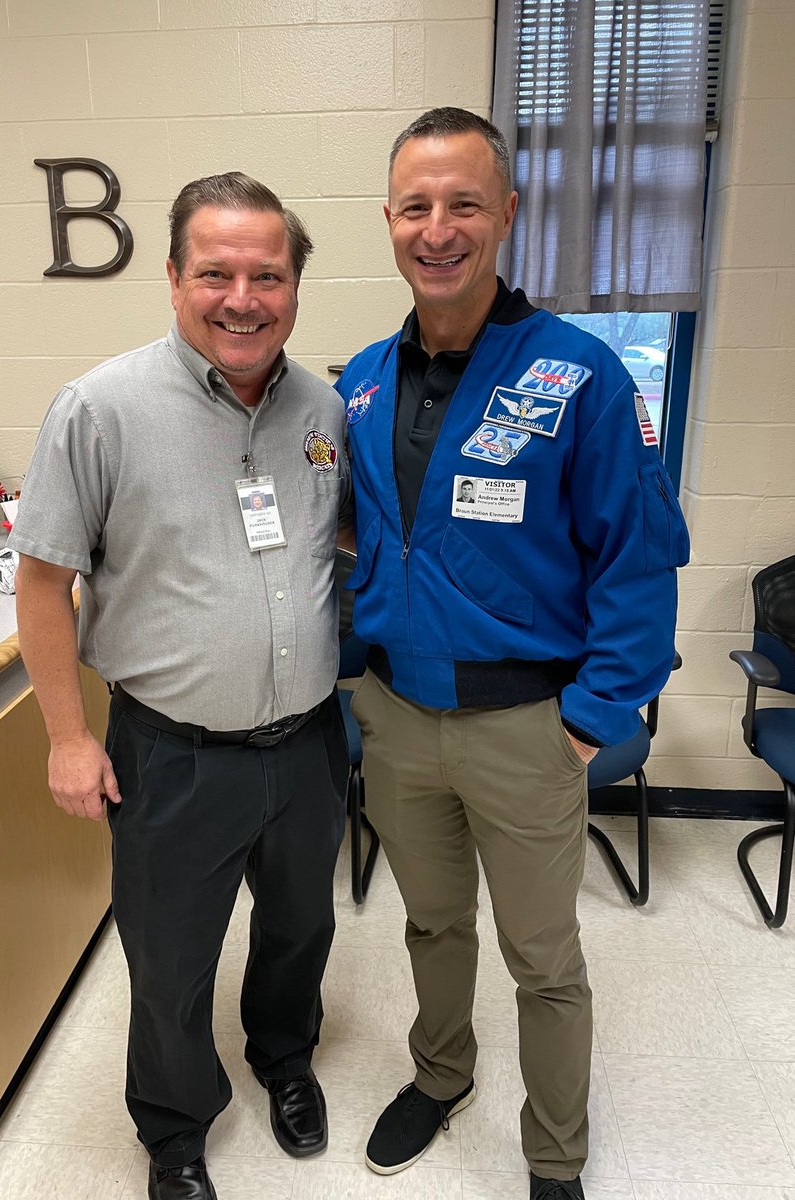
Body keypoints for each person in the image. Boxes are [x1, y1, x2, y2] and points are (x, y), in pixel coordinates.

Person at [336, 108, 688, 1200]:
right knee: (432, 922)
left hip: (527, 729)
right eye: (416, 206)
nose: (438, 228)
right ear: (389, 220)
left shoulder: (577, 378)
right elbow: (360, 534)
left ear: (508, 215)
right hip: (396, 721)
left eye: (465, 203)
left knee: (545, 961)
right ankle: (442, 1077)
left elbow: (638, 564)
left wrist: (591, 719)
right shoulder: (357, 381)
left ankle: (554, 1157)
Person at [11, 172, 351, 1200]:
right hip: (171, 752)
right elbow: (40, 582)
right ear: (172, 277)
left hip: (308, 745)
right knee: (168, 960)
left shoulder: (324, 406)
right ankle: (172, 1127)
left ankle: (282, 1060)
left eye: (267, 274)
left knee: (301, 931)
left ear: (294, 286)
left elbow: (331, 547)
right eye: (215, 272)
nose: (242, 297)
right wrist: (69, 739)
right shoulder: (99, 410)